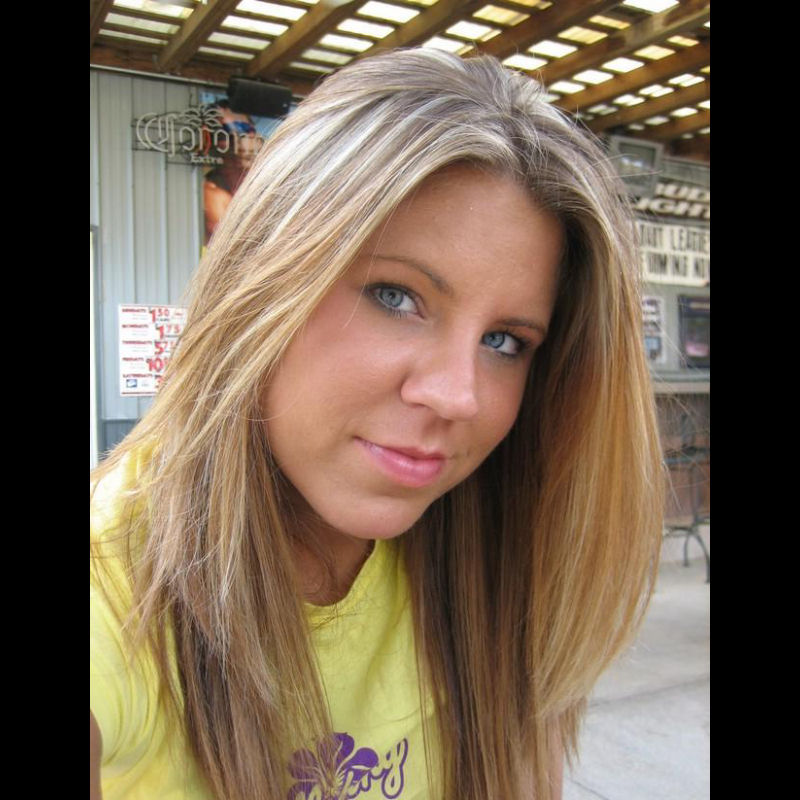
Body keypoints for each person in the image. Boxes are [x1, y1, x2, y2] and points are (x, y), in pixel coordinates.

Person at [90, 48, 664, 800]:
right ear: (261, 281)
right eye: (396, 296)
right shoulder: (113, 590)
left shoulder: (500, 557)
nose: (458, 396)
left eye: (504, 342)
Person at [202, 101, 261, 245]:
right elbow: (237, 245)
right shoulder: (212, 193)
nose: (236, 140)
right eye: (223, 134)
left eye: (243, 130)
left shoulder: (263, 187)